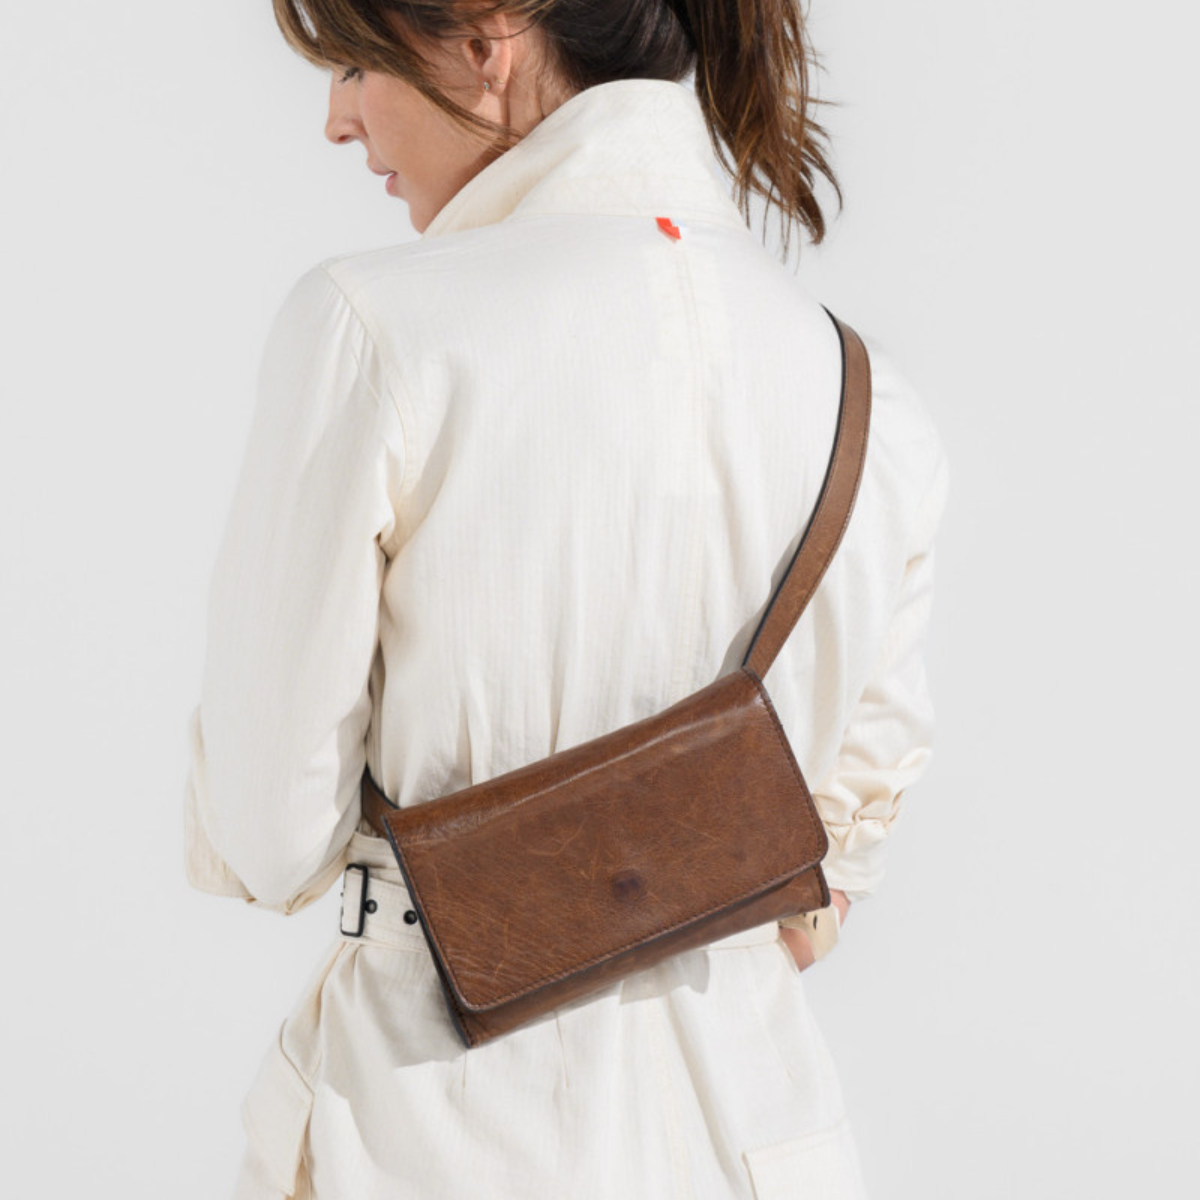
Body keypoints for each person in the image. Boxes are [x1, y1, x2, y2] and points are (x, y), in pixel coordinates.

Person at [182, 1, 950, 1196]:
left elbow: (269, 835)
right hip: (765, 1146)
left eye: (353, 63)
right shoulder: (867, 394)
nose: (337, 119)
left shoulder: (373, 333)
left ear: (486, 39)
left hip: (441, 1137)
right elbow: (828, 880)